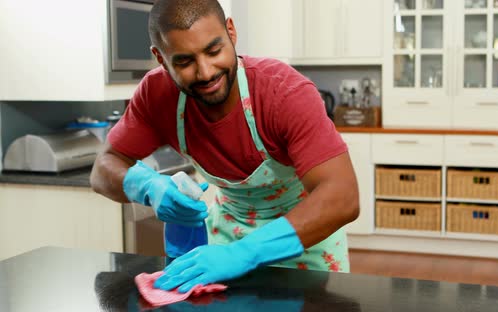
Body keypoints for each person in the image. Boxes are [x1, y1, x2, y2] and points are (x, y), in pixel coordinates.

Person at [90, 0, 359, 294]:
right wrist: (147, 186)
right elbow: (103, 168)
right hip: (223, 243)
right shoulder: (156, 94)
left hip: (302, 241)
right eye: (183, 61)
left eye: (213, 50)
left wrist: (243, 254)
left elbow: (342, 197)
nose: (205, 72)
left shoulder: (282, 93)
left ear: (231, 31)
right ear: (160, 57)